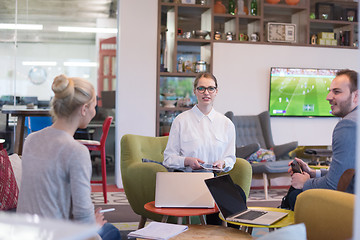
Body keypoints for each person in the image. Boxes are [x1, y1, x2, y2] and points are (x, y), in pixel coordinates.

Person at [17, 74, 121, 240]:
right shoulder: (76, 151)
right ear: (84, 109)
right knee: (112, 232)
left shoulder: (31, 140)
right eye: (94, 107)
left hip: (26, 232)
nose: (95, 112)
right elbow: (83, 219)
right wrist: (93, 225)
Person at [283, 69, 358, 210]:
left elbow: (334, 185)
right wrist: (313, 173)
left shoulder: (348, 125)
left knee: (295, 195)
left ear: (356, 96)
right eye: (330, 91)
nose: (328, 97)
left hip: (349, 207)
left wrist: (305, 182)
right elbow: (347, 173)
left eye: (336, 92)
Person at [163, 72, 236, 172]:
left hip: (215, 180)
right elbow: (168, 159)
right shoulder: (180, 121)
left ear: (216, 91)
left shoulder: (227, 124)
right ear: (194, 91)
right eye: (201, 88)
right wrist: (186, 161)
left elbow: (230, 159)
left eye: (211, 88)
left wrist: (223, 162)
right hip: (188, 178)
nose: (206, 93)